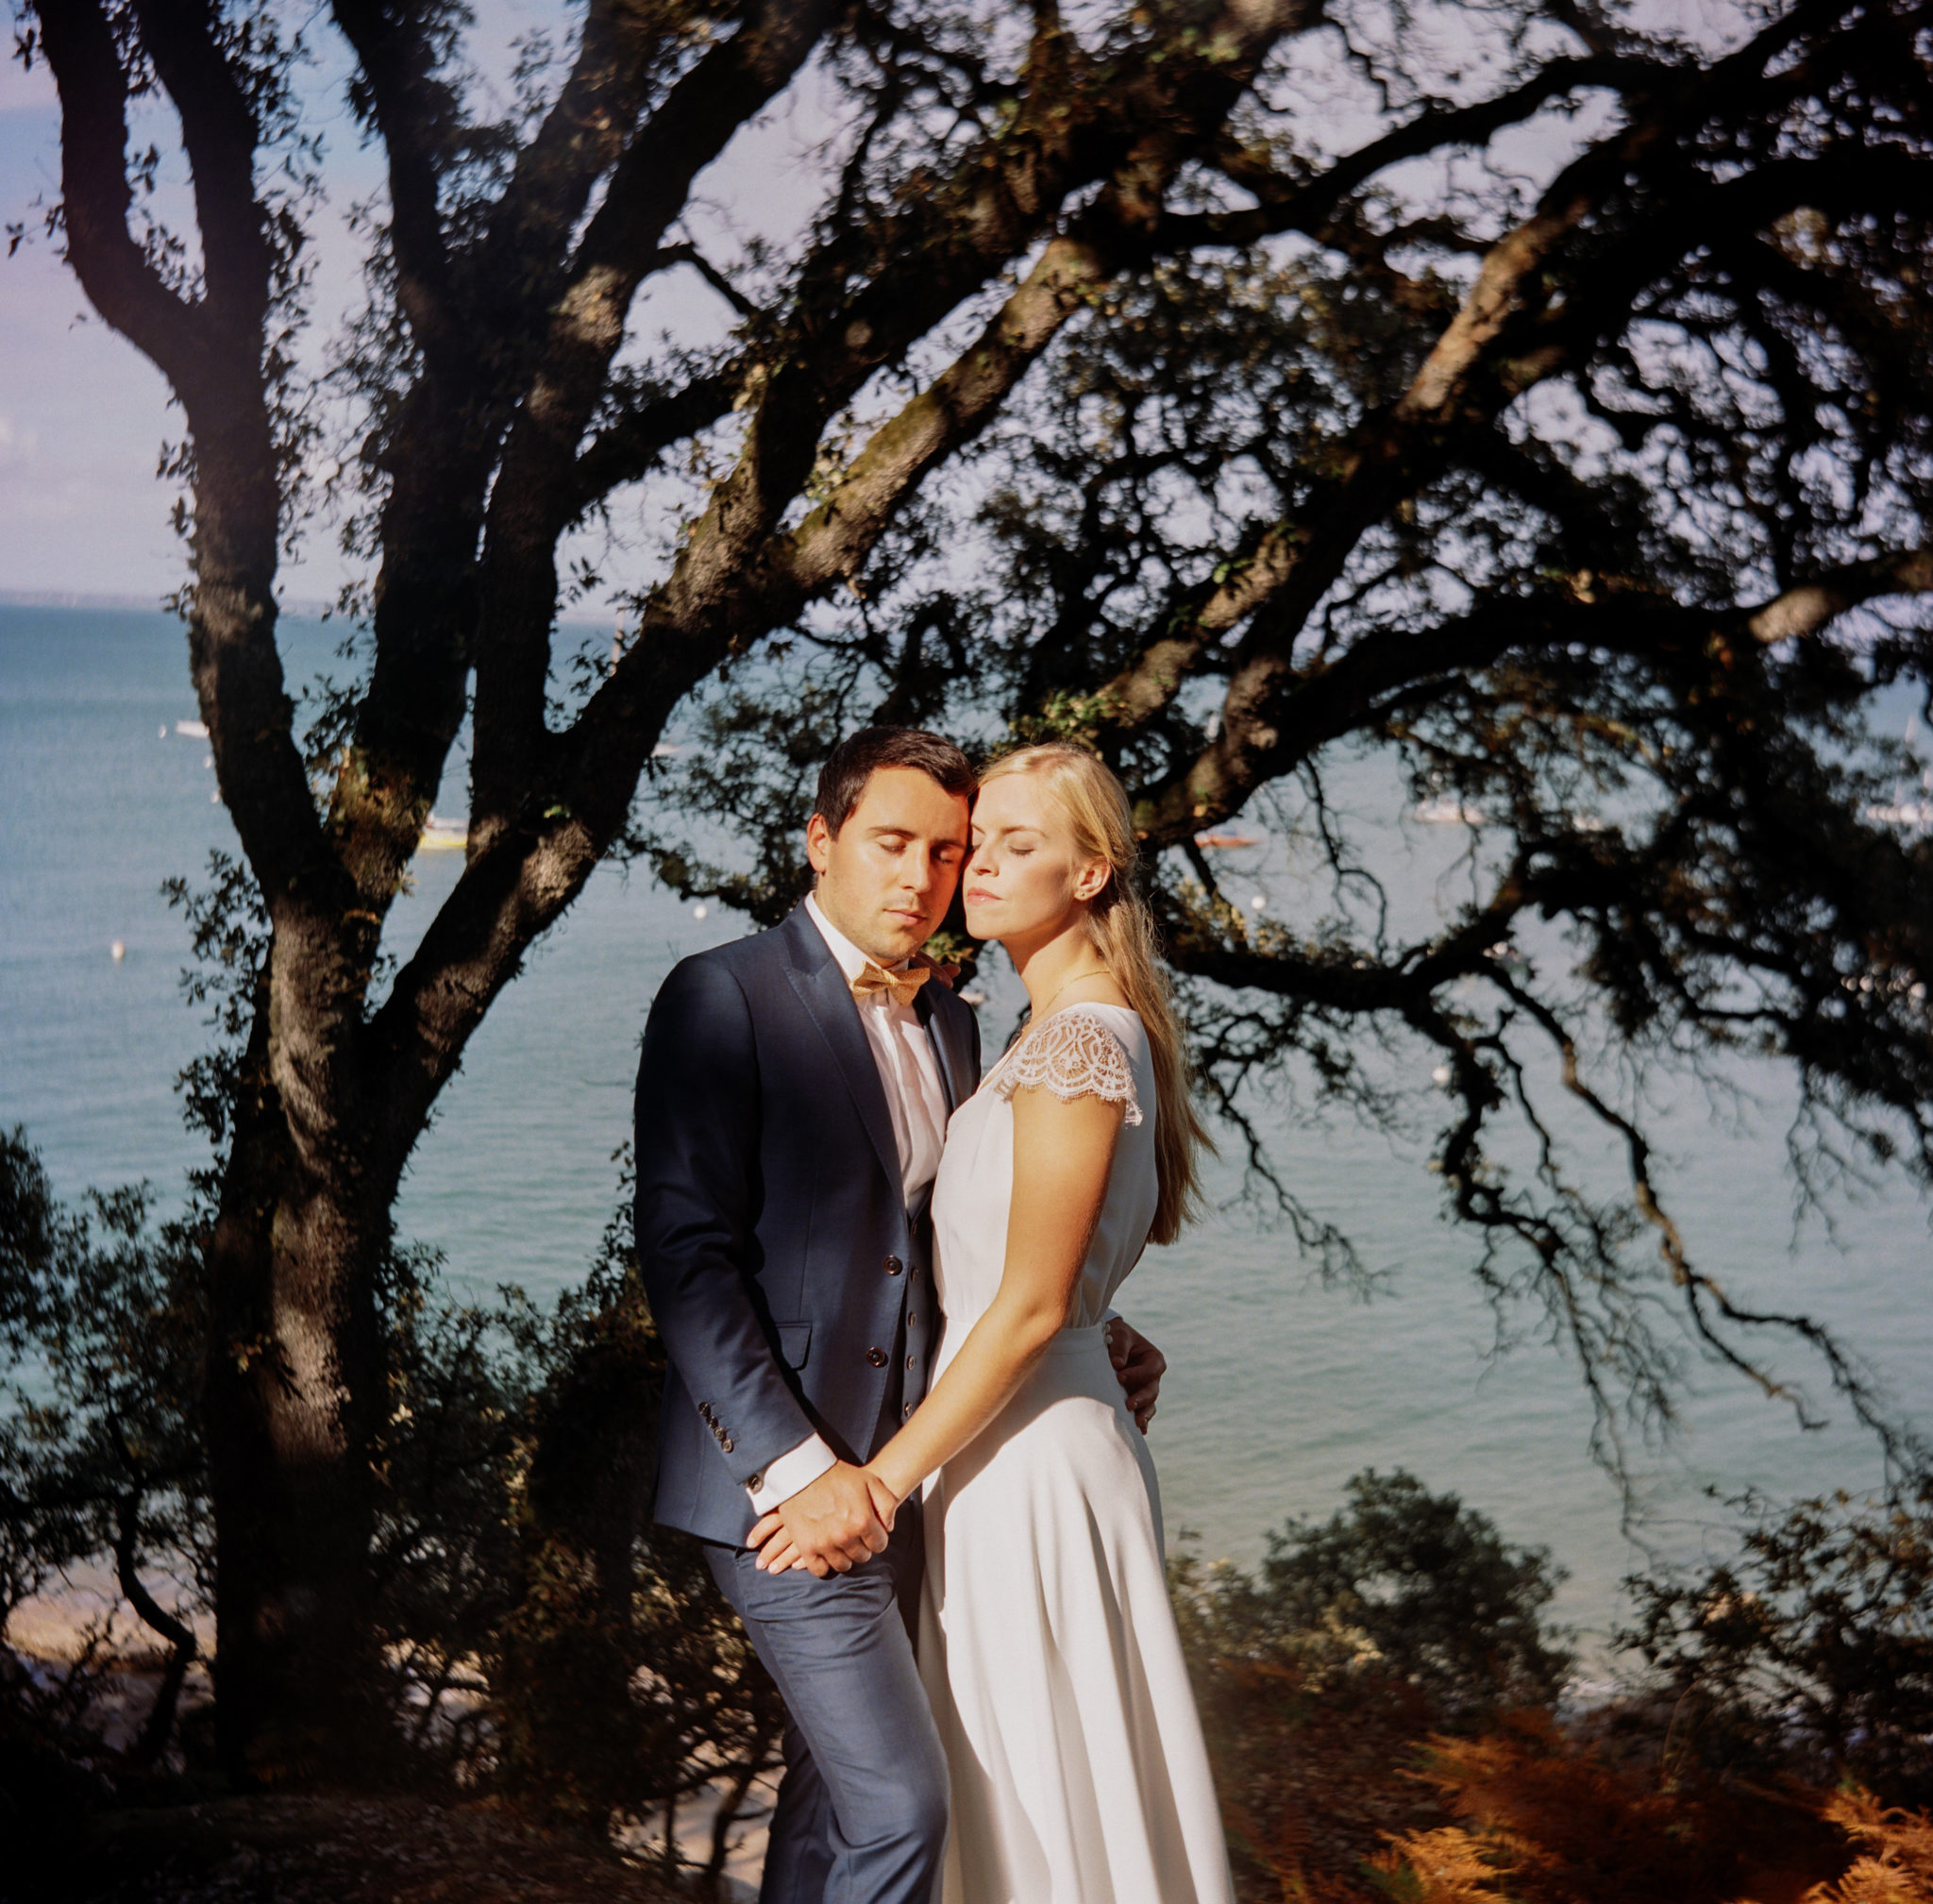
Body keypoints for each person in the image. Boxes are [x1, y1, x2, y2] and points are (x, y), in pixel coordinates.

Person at [633, 726, 1168, 1904]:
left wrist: (1092, 1327)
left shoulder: (964, 1022)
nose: (925, 878)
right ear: (819, 843)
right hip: (790, 1498)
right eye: (893, 843)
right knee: (901, 1805)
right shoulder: (721, 997)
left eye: (950, 850)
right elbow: (687, 1261)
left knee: (835, 1803)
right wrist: (800, 1471)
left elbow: (944, 1247)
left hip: (930, 1484)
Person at [752, 739, 1234, 1904]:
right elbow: (1017, 1277)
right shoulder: (1036, 1031)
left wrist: (874, 1484)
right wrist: (1097, 1321)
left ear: (1090, 873)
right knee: (1016, 1794)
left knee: (1038, 1797)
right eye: (979, 845)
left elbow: (1022, 1307)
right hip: (1008, 1449)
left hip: (1023, 1465)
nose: (975, 869)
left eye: (1019, 845)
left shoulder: (1076, 1040)